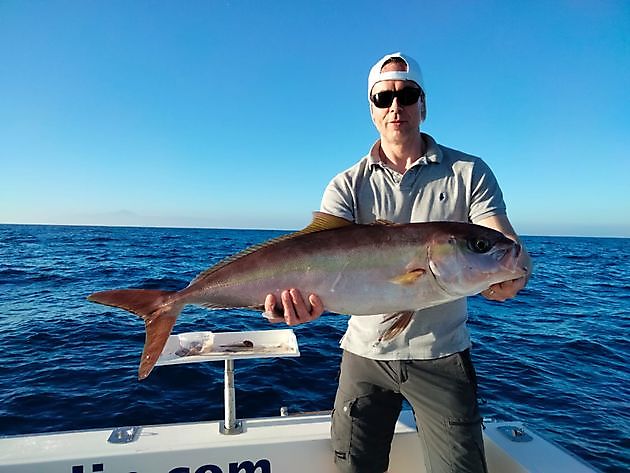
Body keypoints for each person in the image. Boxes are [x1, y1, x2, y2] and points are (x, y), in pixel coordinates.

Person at [264, 52, 531, 473]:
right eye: (383, 97)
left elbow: (502, 237)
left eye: (407, 95)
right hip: (364, 357)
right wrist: (296, 307)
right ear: (371, 110)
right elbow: (313, 254)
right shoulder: (347, 185)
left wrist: (515, 266)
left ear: (423, 105)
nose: (396, 107)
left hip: (442, 355)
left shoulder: (468, 172)